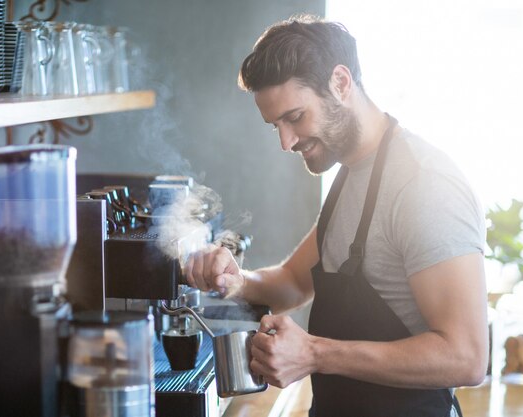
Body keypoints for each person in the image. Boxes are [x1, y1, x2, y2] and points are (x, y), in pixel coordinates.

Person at [185, 14, 488, 417]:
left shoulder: (423, 184)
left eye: (295, 117)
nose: (286, 142)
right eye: (275, 125)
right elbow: (292, 282)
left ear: (341, 83)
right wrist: (234, 280)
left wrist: (314, 353)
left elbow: (466, 357)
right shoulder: (351, 173)